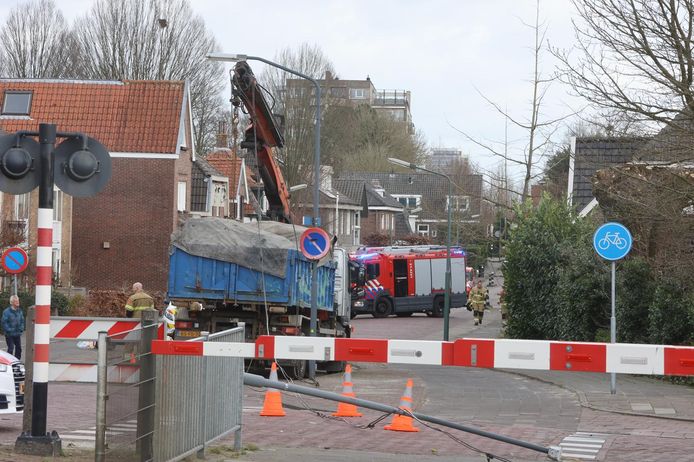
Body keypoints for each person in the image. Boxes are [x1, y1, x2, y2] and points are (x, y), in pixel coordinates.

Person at [2, 295, 25, 359]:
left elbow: (22, 320)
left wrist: (21, 328)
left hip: (17, 333)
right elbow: (4, 322)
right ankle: (9, 361)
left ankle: (17, 361)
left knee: (19, 348)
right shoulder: (6, 312)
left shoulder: (20, 311)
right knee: (11, 348)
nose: (18, 302)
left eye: (18, 301)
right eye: (16, 301)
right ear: (12, 302)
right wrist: (9, 330)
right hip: (9, 334)